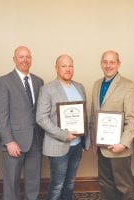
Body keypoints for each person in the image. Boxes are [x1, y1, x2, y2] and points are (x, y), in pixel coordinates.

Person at [36, 54, 90, 200]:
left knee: (70, 183)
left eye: (70, 66)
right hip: (58, 144)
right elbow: (41, 117)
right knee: (57, 185)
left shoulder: (79, 87)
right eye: (64, 66)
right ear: (56, 68)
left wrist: (86, 140)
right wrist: (63, 134)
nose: (68, 69)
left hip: (77, 145)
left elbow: (84, 114)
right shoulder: (47, 89)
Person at [0, 46, 44, 200]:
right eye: (21, 57)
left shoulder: (38, 81)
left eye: (28, 57)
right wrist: (8, 141)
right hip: (14, 142)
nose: (25, 60)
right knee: (11, 183)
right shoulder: (3, 82)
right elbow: (1, 115)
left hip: (35, 140)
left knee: (33, 180)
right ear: (14, 59)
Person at [90, 50, 134, 200]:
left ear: (118, 64)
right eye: (105, 62)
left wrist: (123, 144)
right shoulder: (97, 84)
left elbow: (133, 119)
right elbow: (94, 114)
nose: (108, 65)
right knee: (106, 185)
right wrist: (94, 141)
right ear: (101, 64)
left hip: (119, 148)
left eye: (112, 62)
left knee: (123, 186)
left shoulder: (128, 86)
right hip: (101, 147)